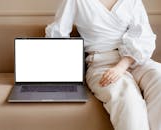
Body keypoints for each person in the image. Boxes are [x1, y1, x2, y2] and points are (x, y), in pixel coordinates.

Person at [45, 0, 161, 130]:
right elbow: (58, 34)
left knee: (159, 77)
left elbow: (143, 35)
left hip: (135, 59)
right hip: (101, 63)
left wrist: (122, 66)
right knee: (128, 99)